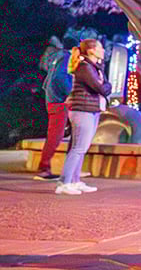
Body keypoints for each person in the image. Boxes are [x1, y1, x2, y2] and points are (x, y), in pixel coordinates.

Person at [58, 39, 111, 195]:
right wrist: (106, 87)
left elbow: (104, 86)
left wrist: (105, 85)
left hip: (91, 109)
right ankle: (64, 182)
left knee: (81, 147)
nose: (103, 50)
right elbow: (101, 87)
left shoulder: (95, 67)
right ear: (91, 50)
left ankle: (75, 181)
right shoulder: (85, 67)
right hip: (83, 110)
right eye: (100, 48)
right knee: (78, 148)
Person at [34, 42, 75, 181]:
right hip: (59, 102)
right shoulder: (67, 57)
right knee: (55, 136)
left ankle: (71, 168)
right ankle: (44, 169)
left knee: (59, 134)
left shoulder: (58, 56)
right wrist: (70, 93)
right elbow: (59, 77)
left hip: (54, 100)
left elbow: (49, 79)